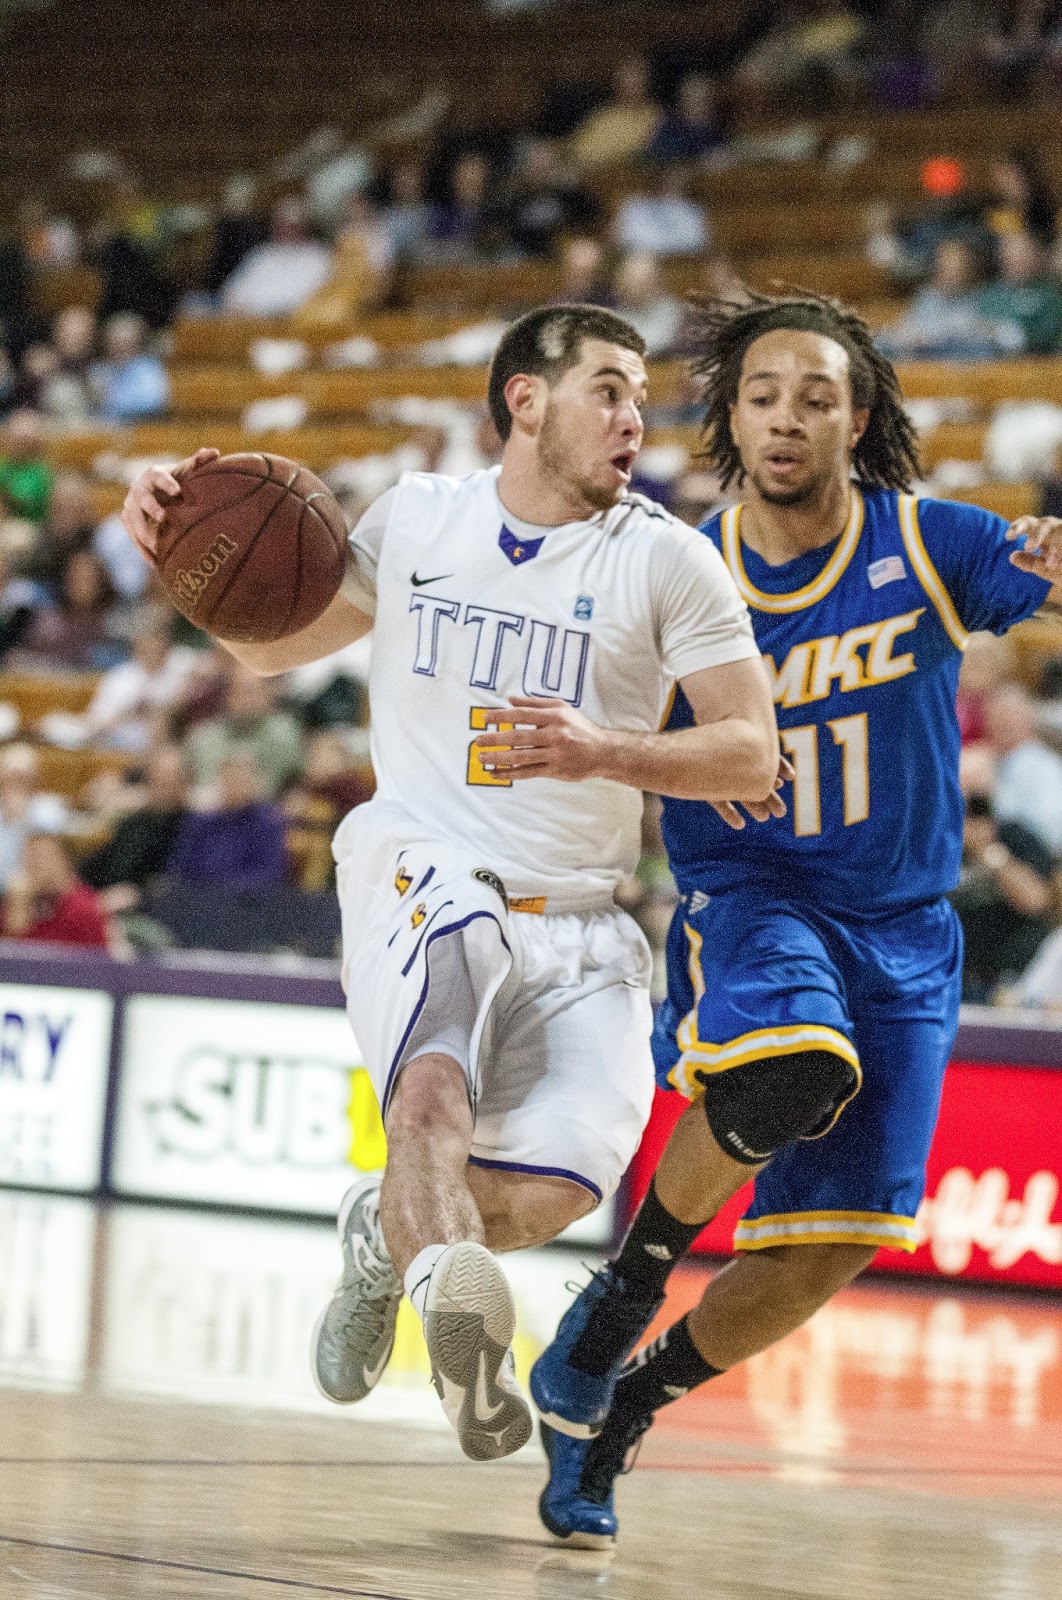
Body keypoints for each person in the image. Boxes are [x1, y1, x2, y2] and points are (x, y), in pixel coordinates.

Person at [120, 302, 781, 1463]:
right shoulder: (419, 520)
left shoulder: (669, 558)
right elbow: (269, 642)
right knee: (429, 1094)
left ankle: (385, 1244)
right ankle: (450, 1306)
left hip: (582, 914)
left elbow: (750, 752)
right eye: (610, 390)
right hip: (424, 866)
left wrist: (606, 750)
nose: (638, 417)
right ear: (525, 399)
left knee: (551, 1194)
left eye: (640, 394)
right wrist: (174, 543)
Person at [530, 287, 1062, 1546]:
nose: (786, 418)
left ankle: (625, 1409)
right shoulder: (674, 567)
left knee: (832, 1245)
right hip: (757, 895)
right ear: (728, 417)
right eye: (763, 395)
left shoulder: (931, 544)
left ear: (856, 417)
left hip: (908, 929)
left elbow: (1044, 588)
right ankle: (625, 1290)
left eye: (816, 397)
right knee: (789, 1071)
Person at [1, 831, 111, 949]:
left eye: (40, 858)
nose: (32, 866)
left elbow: (98, 961)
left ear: (64, 860)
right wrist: (18, 910)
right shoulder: (17, 900)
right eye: (27, 859)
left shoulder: (85, 909)